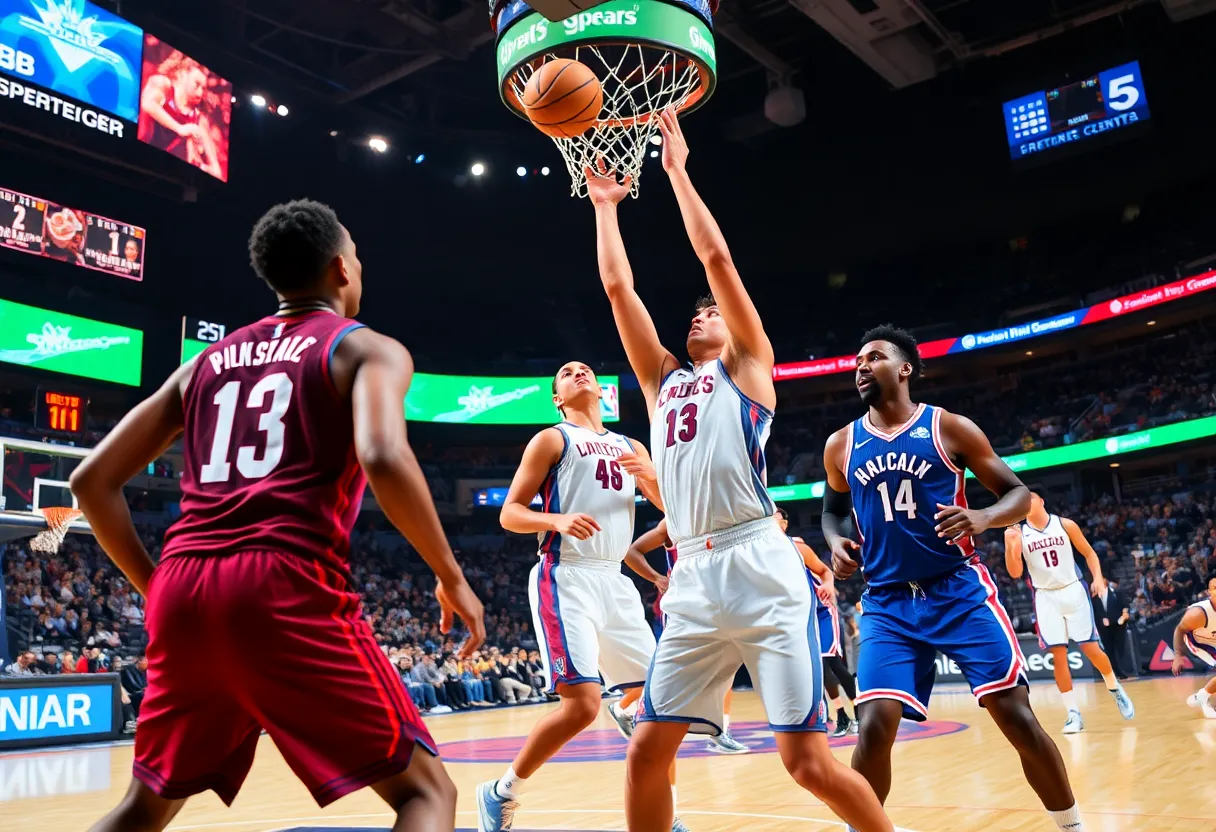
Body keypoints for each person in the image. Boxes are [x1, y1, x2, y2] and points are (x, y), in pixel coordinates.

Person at [70, 198, 485, 832]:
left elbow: (90, 481)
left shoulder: (201, 365)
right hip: (281, 581)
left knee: (144, 806)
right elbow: (381, 453)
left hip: (183, 585)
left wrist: (157, 589)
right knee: (426, 793)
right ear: (342, 270)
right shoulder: (365, 349)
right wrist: (450, 573)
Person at [586, 109, 891, 832]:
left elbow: (717, 264)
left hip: (759, 564)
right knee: (644, 757)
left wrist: (676, 173)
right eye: (692, 316)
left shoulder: (749, 370)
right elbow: (619, 293)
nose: (700, 317)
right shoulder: (662, 381)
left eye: (709, 315)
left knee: (807, 765)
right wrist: (605, 211)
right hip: (692, 580)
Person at [822, 324, 1084, 832]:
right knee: (873, 728)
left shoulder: (949, 428)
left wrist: (984, 517)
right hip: (887, 603)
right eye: (856, 361)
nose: (860, 366)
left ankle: (1072, 825)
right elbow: (831, 511)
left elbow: (1018, 493)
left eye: (873, 357)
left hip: (957, 590)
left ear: (904, 369)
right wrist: (835, 541)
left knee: (1017, 719)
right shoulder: (841, 444)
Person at [476, 361, 689, 832]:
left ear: (600, 391)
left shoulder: (629, 445)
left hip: (615, 580)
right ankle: (500, 792)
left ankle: (665, 814)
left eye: (584, 370)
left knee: (661, 707)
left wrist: (651, 476)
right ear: (557, 397)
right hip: (565, 575)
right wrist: (555, 520)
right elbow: (510, 514)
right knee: (581, 705)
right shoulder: (552, 439)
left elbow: (670, 509)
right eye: (566, 373)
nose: (578, 373)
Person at [1004, 493, 1135, 733]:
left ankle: (1115, 688)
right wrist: (1012, 548)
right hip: (1045, 596)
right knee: (1059, 654)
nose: (1025, 504)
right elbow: (1014, 573)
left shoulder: (1065, 524)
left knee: (1091, 649)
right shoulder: (1018, 532)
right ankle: (1073, 713)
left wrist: (1098, 579)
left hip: (1073, 589)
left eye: (1029, 499)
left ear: (1042, 500)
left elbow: (1089, 554)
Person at [625, 518, 748, 754]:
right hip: (684, 609)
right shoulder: (671, 522)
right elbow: (632, 552)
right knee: (670, 672)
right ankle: (629, 710)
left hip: (718, 604)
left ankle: (722, 731)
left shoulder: (720, 514)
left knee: (725, 673)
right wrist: (656, 578)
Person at [775, 508, 858, 738]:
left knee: (830, 663)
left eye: (775, 518)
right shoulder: (765, 555)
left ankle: (858, 711)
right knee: (816, 668)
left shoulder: (798, 547)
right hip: (801, 617)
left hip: (822, 611)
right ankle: (839, 716)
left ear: (784, 524)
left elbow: (824, 572)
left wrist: (829, 585)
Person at [138, 53, 223, 178]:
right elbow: (148, 104)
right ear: (182, 74)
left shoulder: (198, 119)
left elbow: (217, 172)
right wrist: (180, 128)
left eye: (203, 88)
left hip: (162, 172)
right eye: (196, 84)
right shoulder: (162, 84)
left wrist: (198, 165)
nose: (200, 92)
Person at [1173, 576, 1216, 718]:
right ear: (1209, 592)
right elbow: (1180, 630)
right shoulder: (1197, 614)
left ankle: (1202, 696)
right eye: (1215, 588)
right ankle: (1203, 696)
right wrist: (1178, 655)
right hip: (1198, 640)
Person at [1093, 578, 1131, 679]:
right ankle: (1115, 671)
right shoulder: (1094, 597)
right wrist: (1102, 620)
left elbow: (1125, 606)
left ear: (1105, 582)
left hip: (1118, 626)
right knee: (1109, 650)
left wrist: (1122, 617)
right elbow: (1094, 613)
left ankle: (1123, 670)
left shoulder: (1116, 593)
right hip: (1104, 629)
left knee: (1120, 648)